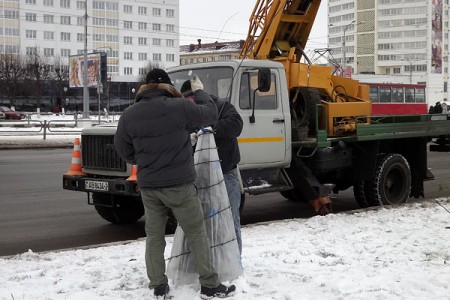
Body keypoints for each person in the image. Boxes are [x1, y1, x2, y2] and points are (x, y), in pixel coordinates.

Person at [114, 69, 236, 299]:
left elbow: (123, 150)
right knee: (196, 232)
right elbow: (210, 115)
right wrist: (200, 93)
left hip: (149, 187)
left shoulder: (129, 114)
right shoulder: (181, 108)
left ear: (146, 87)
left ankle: (158, 285)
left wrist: (143, 160)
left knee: (154, 236)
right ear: (168, 86)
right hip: (179, 184)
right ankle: (210, 285)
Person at [181, 80, 244, 255]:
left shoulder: (223, 107)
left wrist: (209, 128)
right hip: (200, 177)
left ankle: (234, 261)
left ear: (195, 97)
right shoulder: (188, 115)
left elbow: (236, 125)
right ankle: (212, 260)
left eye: (188, 101)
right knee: (204, 222)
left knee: (230, 219)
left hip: (226, 173)